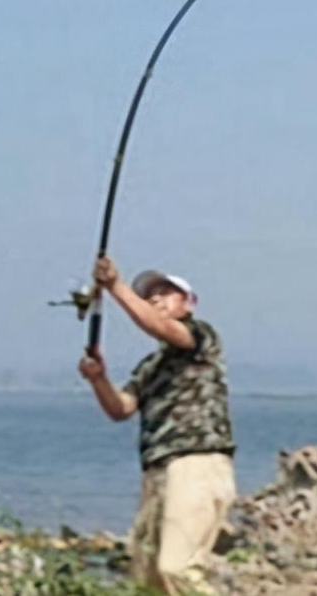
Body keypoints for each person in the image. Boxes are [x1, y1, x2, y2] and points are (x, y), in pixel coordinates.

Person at [78, 255, 236, 595]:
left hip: (197, 460)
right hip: (158, 469)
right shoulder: (150, 366)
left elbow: (160, 327)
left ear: (188, 303)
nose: (155, 299)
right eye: (150, 294)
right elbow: (121, 408)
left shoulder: (201, 336)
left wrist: (115, 287)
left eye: (166, 292)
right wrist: (98, 379)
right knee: (148, 579)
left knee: (179, 569)